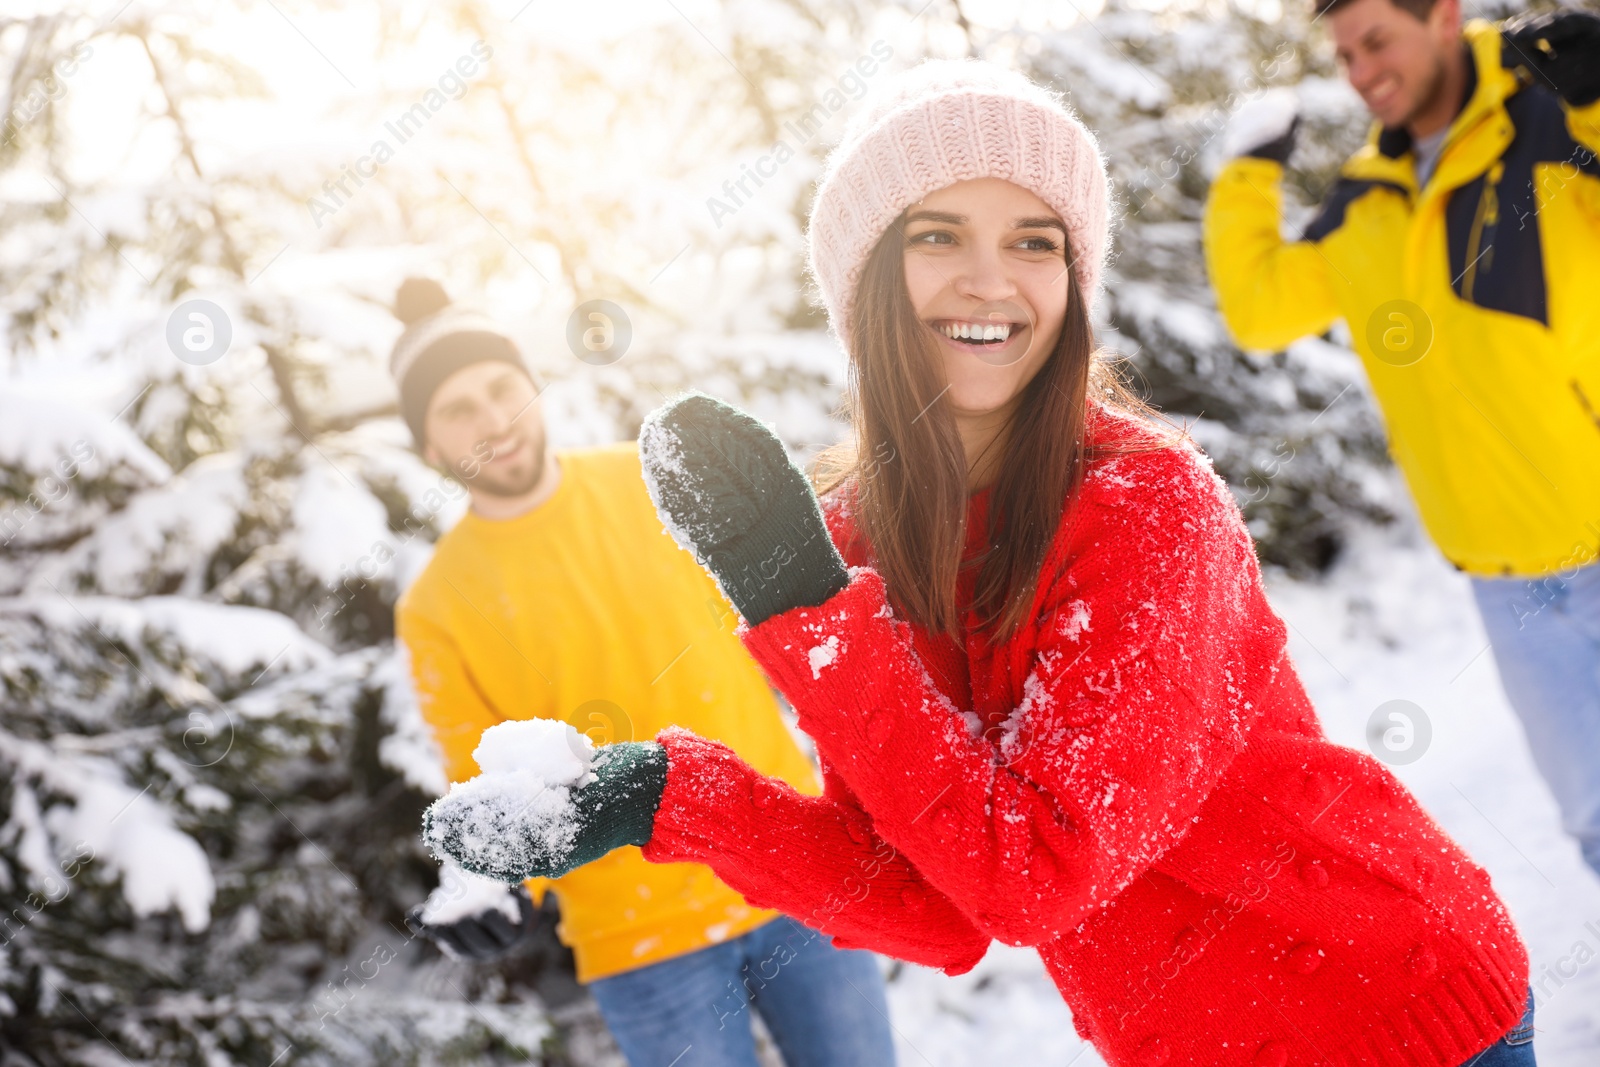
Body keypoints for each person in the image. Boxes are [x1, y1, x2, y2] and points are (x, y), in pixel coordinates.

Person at [427, 62, 1540, 1066]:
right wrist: (668, 798)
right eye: (936, 235)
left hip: (1387, 1009)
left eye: (1032, 239)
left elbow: (1031, 869)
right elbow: (934, 899)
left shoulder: (1146, 501)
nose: (989, 280)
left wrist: (805, 607)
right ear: (865, 281)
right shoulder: (867, 543)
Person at [388, 277, 896, 1067]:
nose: (492, 420)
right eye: (457, 409)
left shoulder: (650, 479)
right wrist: (480, 884)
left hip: (796, 857)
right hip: (639, 941)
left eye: (500, 388)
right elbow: (479, 778)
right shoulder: (435, 606)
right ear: (429, 446)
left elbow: (796, 619)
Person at [1203, 0, 1600, 879]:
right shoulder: (1365, 200)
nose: (1361, 70)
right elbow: (1262, 307)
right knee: (1596, 823)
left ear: (1446, 17)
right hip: (1508, 579)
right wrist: (1247, 174)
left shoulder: (1551, 114)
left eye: (1377, 39)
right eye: (1344, 54)